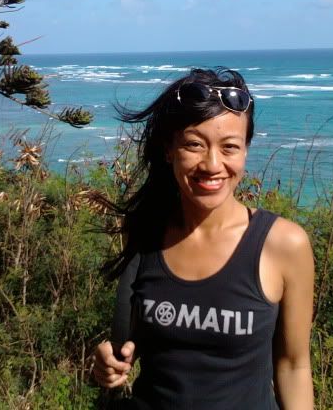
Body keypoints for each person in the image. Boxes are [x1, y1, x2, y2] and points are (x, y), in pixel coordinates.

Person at [93, 68, 314, 409]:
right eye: (194, 144)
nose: (212, 164)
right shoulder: (146, 232)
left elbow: (294, 366)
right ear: (169, 149)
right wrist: (109, 366)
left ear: (245, 151)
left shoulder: (284, 244)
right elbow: (132, 345)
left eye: (230, 147)